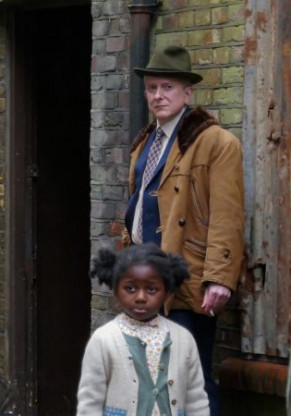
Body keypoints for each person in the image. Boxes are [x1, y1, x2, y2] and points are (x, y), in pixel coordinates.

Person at [124, 45, 244, 415]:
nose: (158, 96)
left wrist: (219, 278)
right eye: (151, 88)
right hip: (145, 278)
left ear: (187, 93)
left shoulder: (216, 142)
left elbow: (227, 215)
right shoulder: (147, 140)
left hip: (187, 279)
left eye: (167, 88)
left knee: (190, 380)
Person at [77, 244, 209, 416]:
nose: (140, 297)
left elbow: (196, 399)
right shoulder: (103, 340)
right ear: (115, 290)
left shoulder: (183, 339)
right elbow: (90, 402)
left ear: (167, 292)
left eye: (152, 289)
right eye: (130, 288)